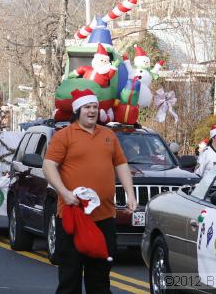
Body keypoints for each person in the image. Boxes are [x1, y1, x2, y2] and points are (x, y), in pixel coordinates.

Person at [42, 89, 137, 294]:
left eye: (95, 107)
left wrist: (130, 193)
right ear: (78, 110)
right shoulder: (64, 135)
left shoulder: (108, 135)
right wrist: (65, 193)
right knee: (70, 275)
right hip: (72, 216)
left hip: (104, 216)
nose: (92, 111)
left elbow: (121, 164)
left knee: (100, 277)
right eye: (87, 107)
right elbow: (48, 165)